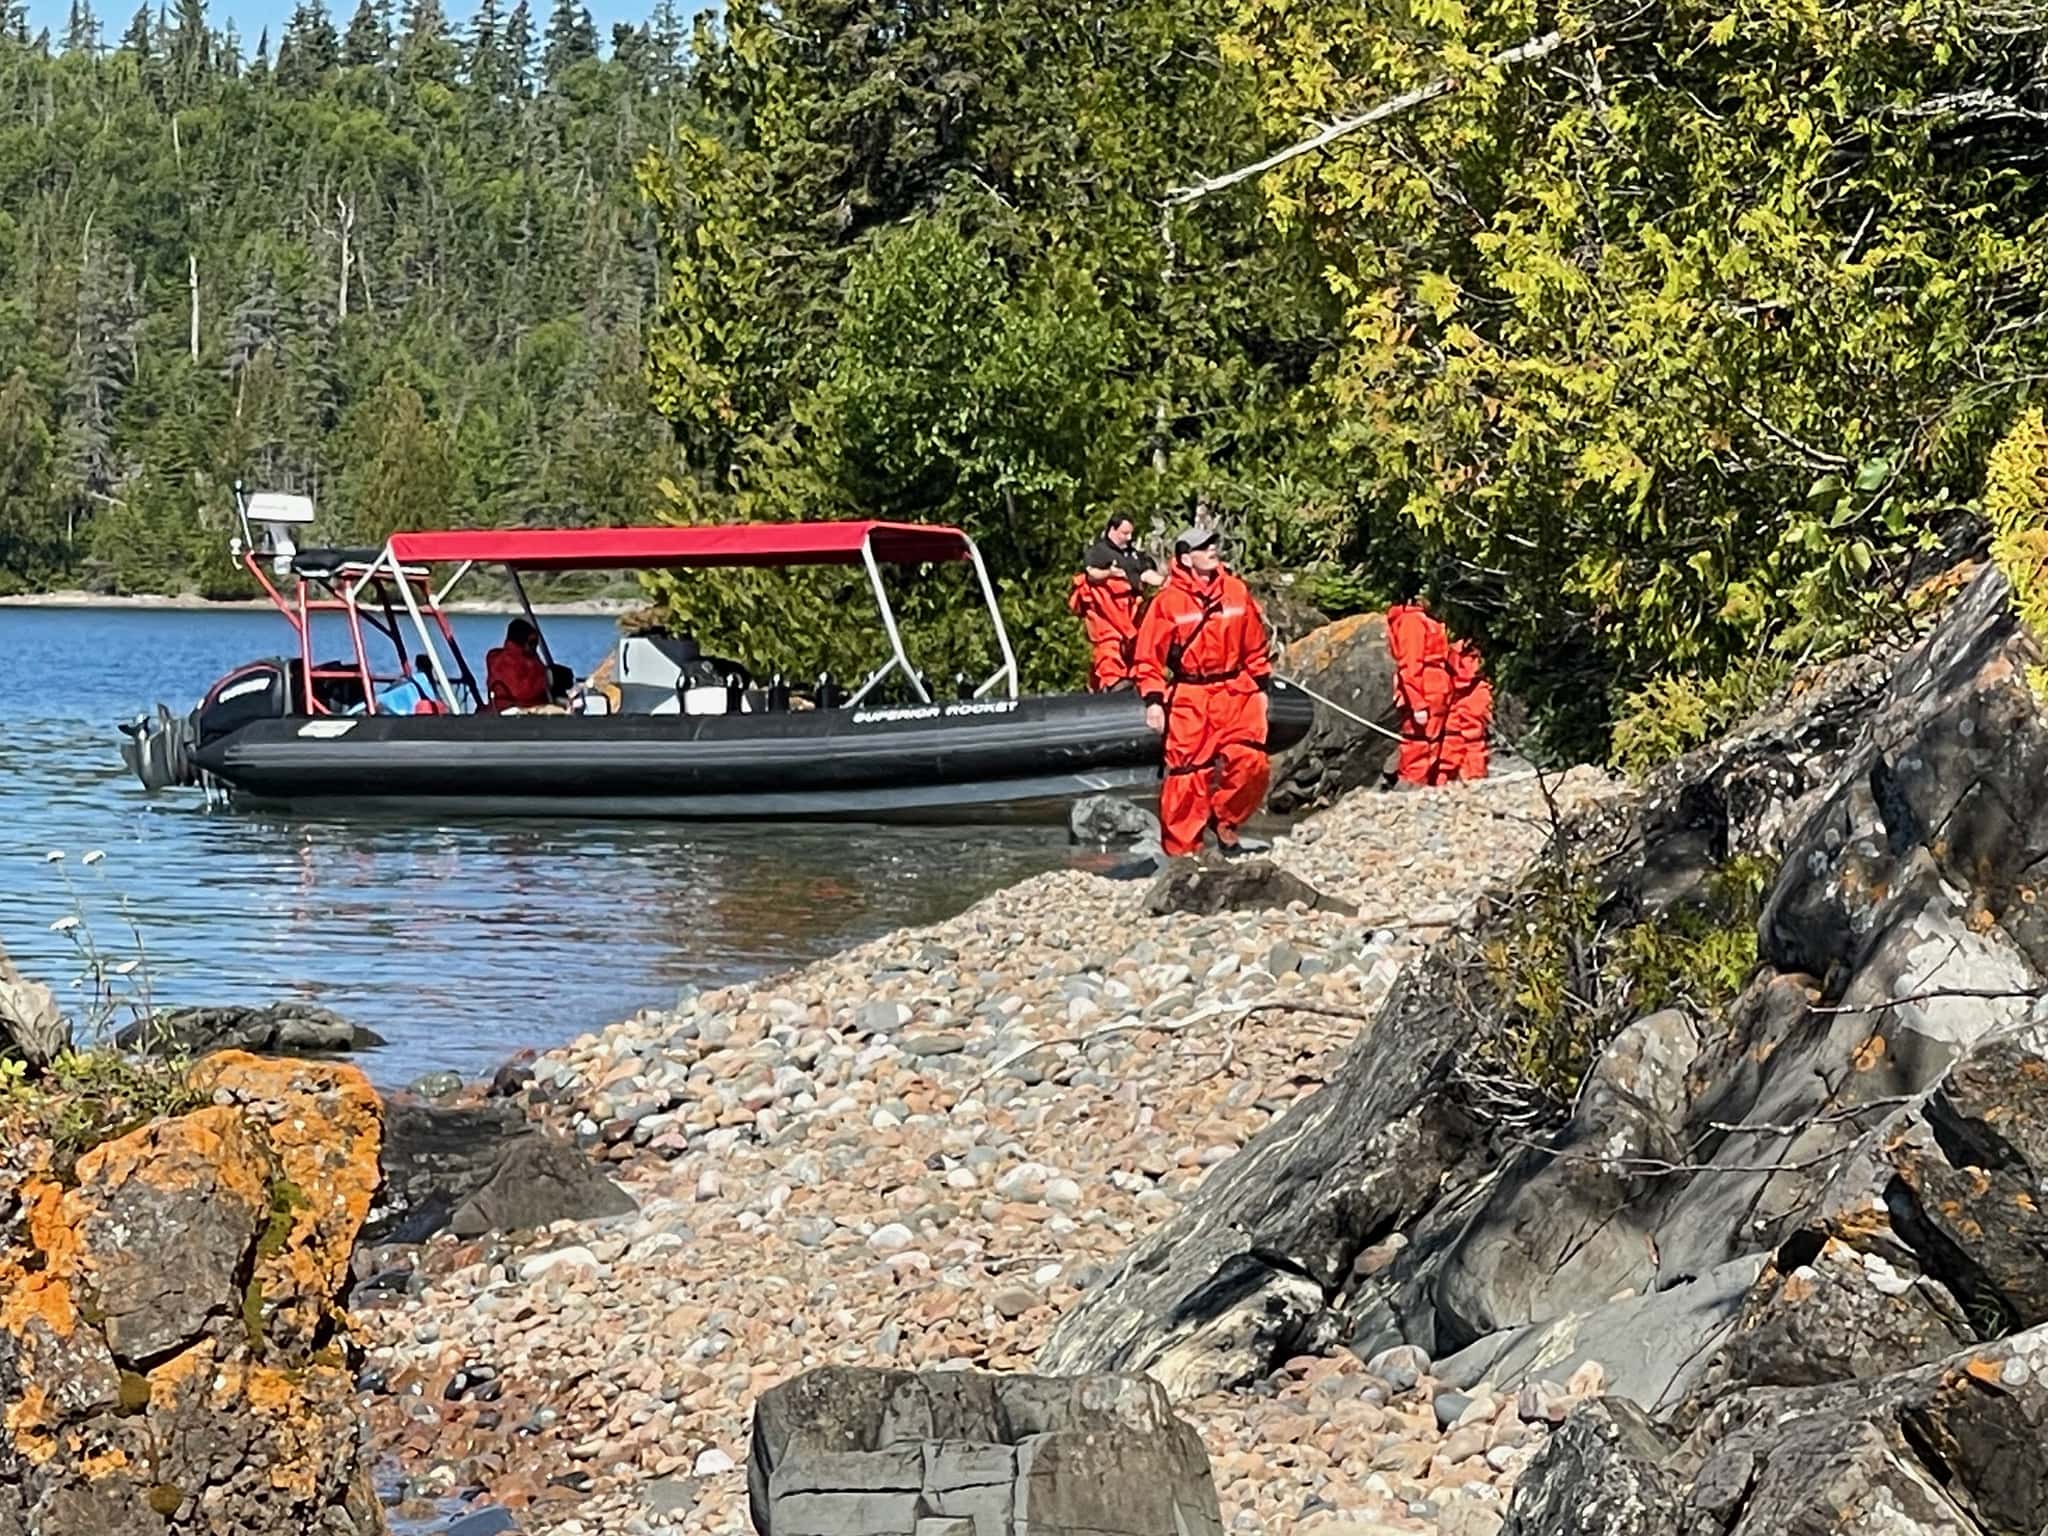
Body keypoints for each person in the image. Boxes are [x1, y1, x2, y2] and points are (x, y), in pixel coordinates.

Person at [1133, 525, 1273, 857]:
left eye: (1213, 544)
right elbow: (1148, 657)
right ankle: (1184, 855)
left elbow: (1254, 645)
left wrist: (1261, 685)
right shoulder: (1167, 602)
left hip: (1236, 691)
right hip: (1190, 695)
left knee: (1252, 764)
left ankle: (1225, 820)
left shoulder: (1236, 591)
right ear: (1185, 558)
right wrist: (1154, 700)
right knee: (1186, 777)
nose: (1212, 549)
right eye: (1203, 546)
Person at [1069, 516, 1163, 692]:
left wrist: (1166, 582)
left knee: (1135, 645)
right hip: (1104, 608)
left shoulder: (1134, 554)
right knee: (1109, 644)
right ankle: (1112, 682)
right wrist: (1109, 573)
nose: (1129, 538)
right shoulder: (1098, 552)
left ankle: (1134, 679)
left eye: (1131, 534)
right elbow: (1091, 574)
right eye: (1124, 533)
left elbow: (1146, 574)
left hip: (1129, 610)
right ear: (1112, 530)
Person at [1386, 597, 1451, 785]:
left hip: (1436, 690)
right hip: (1426, 690)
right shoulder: (1412, 621)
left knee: (1433, 747)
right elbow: (1410, 666)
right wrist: (1418, 704)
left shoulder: (1424, 619)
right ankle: (1410, 790)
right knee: (1418, 748)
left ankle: (1430, 790)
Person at [1441, 636, 1493, 782]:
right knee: (1450, 733)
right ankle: (1446, 778)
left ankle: (1474, 777)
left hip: (1468, 687)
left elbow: (1465, 675)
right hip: (1454, 686)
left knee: (1472, 735)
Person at [485, 618, 553, 712]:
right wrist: (548, 679)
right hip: (515, 708)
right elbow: (523, 692)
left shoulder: (528, 658)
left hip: (521, 706)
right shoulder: (507, 661)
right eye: (532, 643)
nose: (535, 647)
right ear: (521, 641)